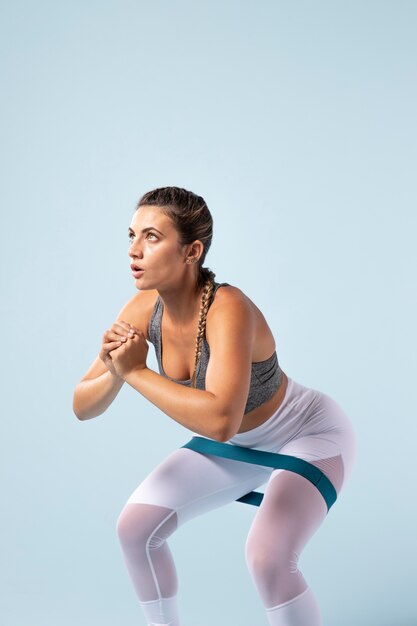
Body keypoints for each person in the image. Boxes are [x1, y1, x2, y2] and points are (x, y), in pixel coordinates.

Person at [73, 186, 356, 626]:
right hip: (238, 445)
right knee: (134, 529)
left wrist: (135, 373)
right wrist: (114, 369)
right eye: (131, 235)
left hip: (307, 433)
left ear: (192, 250)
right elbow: (82, 405)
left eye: (151, 237)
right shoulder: (141, 308)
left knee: (268, 558)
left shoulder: (230, 308)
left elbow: (221, 422)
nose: (134, 250)